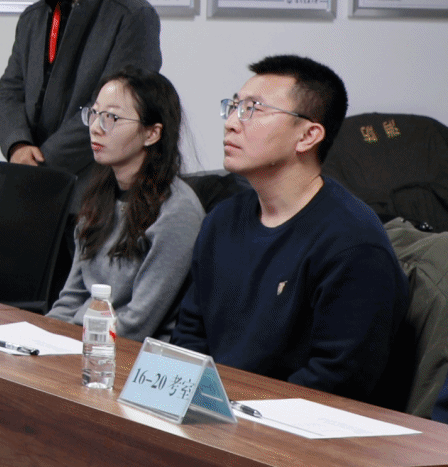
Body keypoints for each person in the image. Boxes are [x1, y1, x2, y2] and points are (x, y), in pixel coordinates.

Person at [172, 56, 407, 402]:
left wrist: (236, 411)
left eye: (253, 110)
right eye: (233, 107)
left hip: (292, 425)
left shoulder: (352, 243)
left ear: (308, 135)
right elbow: (190, 336)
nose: (232, 123)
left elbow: (337, 379)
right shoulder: (222, 220)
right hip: (212, 411)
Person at [0, 0, 161, 179]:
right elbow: (10, 91)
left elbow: (118, 108)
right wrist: (18, 145)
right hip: (31, 173)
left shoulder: (133, 16)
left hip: (96, 180)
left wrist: (45, 161)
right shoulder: (36, 16)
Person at [45, 67, 204, 341]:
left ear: (152, 133)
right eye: (94, 113)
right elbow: (71, 298)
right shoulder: (100, 196)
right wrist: (40, 339)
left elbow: (137, 323)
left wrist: (68, 346)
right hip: (81, 342)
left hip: (124, 351)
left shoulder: (177, 212)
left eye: (111, 118)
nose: (95, 127)